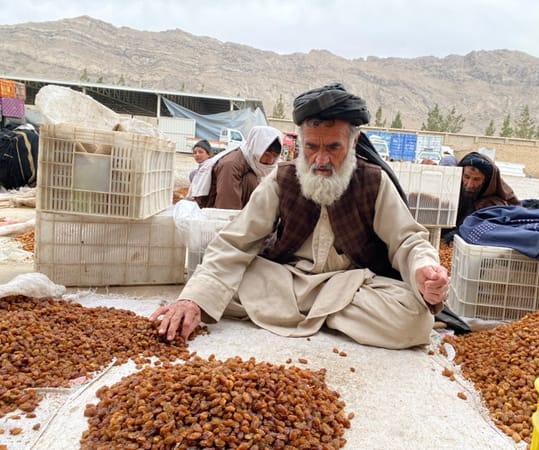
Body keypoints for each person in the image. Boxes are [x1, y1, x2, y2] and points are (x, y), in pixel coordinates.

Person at [151, 82, 449, 350]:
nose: (320, 159)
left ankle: (294, 313)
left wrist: (423, 269)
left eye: (333, 147)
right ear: (300, 143)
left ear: (353, 143)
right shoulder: (283, 180)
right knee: (212, 288)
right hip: (286, 280)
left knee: (415, 320)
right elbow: (235, 243)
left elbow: (407, 239)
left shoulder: (373, 182)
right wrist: (193, 299)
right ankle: (328, 316)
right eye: (311, 146)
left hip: (350, 286)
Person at [192, 126, 282, 210]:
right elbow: (226, 208)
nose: (270, 161)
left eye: (274, 156)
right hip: (214, 209)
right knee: (250, 179)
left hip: (236, 208)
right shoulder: (231, 165)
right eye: (266, 154)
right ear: (256, 147)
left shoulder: (253, 162)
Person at [443, 151, 520, 241]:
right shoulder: (454, 186)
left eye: (477, 179)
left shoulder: (494, 200)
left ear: (486, 181)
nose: (469, 184)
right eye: (466, 177)